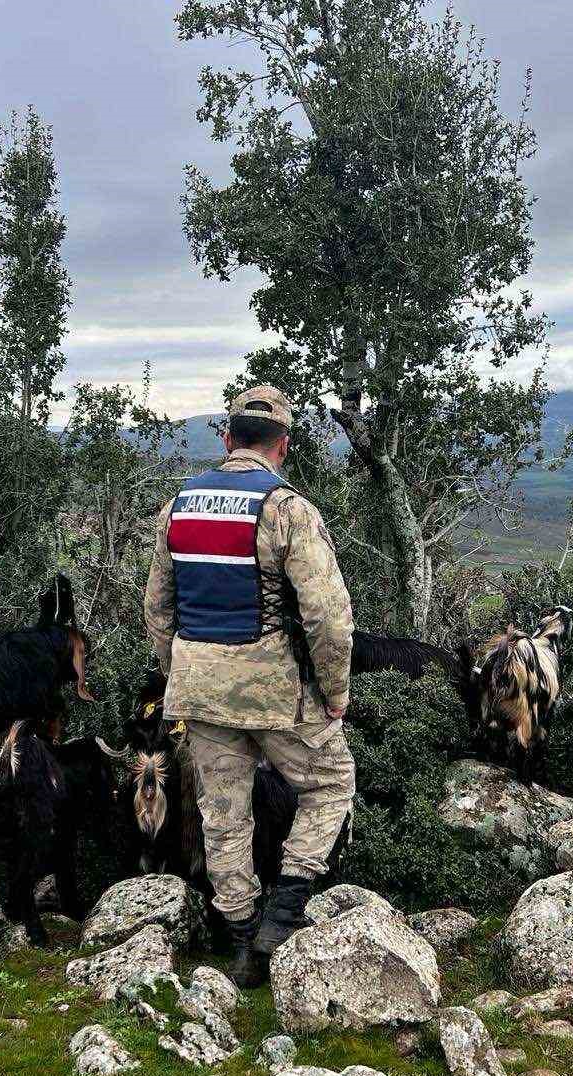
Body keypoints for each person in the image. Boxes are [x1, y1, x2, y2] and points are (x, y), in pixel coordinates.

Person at [143, 384, 356, 987]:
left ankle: (241, 941)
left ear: (228, 437)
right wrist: (335, 690)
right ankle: (283, 918)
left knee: (222, 813)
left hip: (199, 684)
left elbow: (158, 611)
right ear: (282, 445)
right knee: (330, 783)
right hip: (274, 688)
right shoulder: (289, 511)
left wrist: (177, 668)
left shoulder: (178, 507)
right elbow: (327, 615)